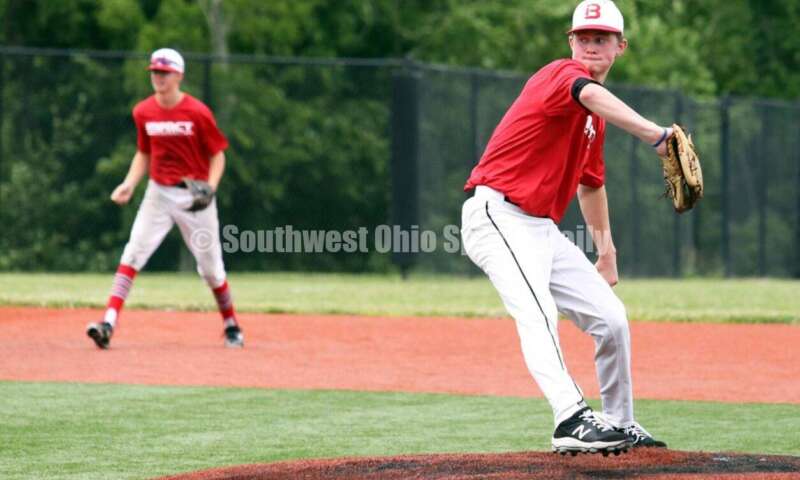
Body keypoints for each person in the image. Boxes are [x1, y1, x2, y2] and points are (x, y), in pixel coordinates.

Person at [461, 0, 669, 455]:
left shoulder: (596, 121)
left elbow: (590, 186)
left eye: (603, 38)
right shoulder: (560, 76)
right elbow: (588, 93)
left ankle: (618, 422)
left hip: (540, 229)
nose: (592, 44)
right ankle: (570, 417)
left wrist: (606, 253)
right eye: (584, 37)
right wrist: (656, 135)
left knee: (612, 319)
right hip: (498, 214)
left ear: (620, 46)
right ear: (571, 43)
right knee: (537, 314)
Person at [86, 48, 244, 349]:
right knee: (133, 254)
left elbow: (218, 155)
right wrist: (129, 184)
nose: (158, 76)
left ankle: (231, 324)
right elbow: (144, 152)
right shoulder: (143, 111)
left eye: (164, 72)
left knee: (211, 270)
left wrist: (210, 188)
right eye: (155, 72)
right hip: (158, 193)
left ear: (179, 76)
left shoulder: (197, 112)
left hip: (195, 196)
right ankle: (108, 323)